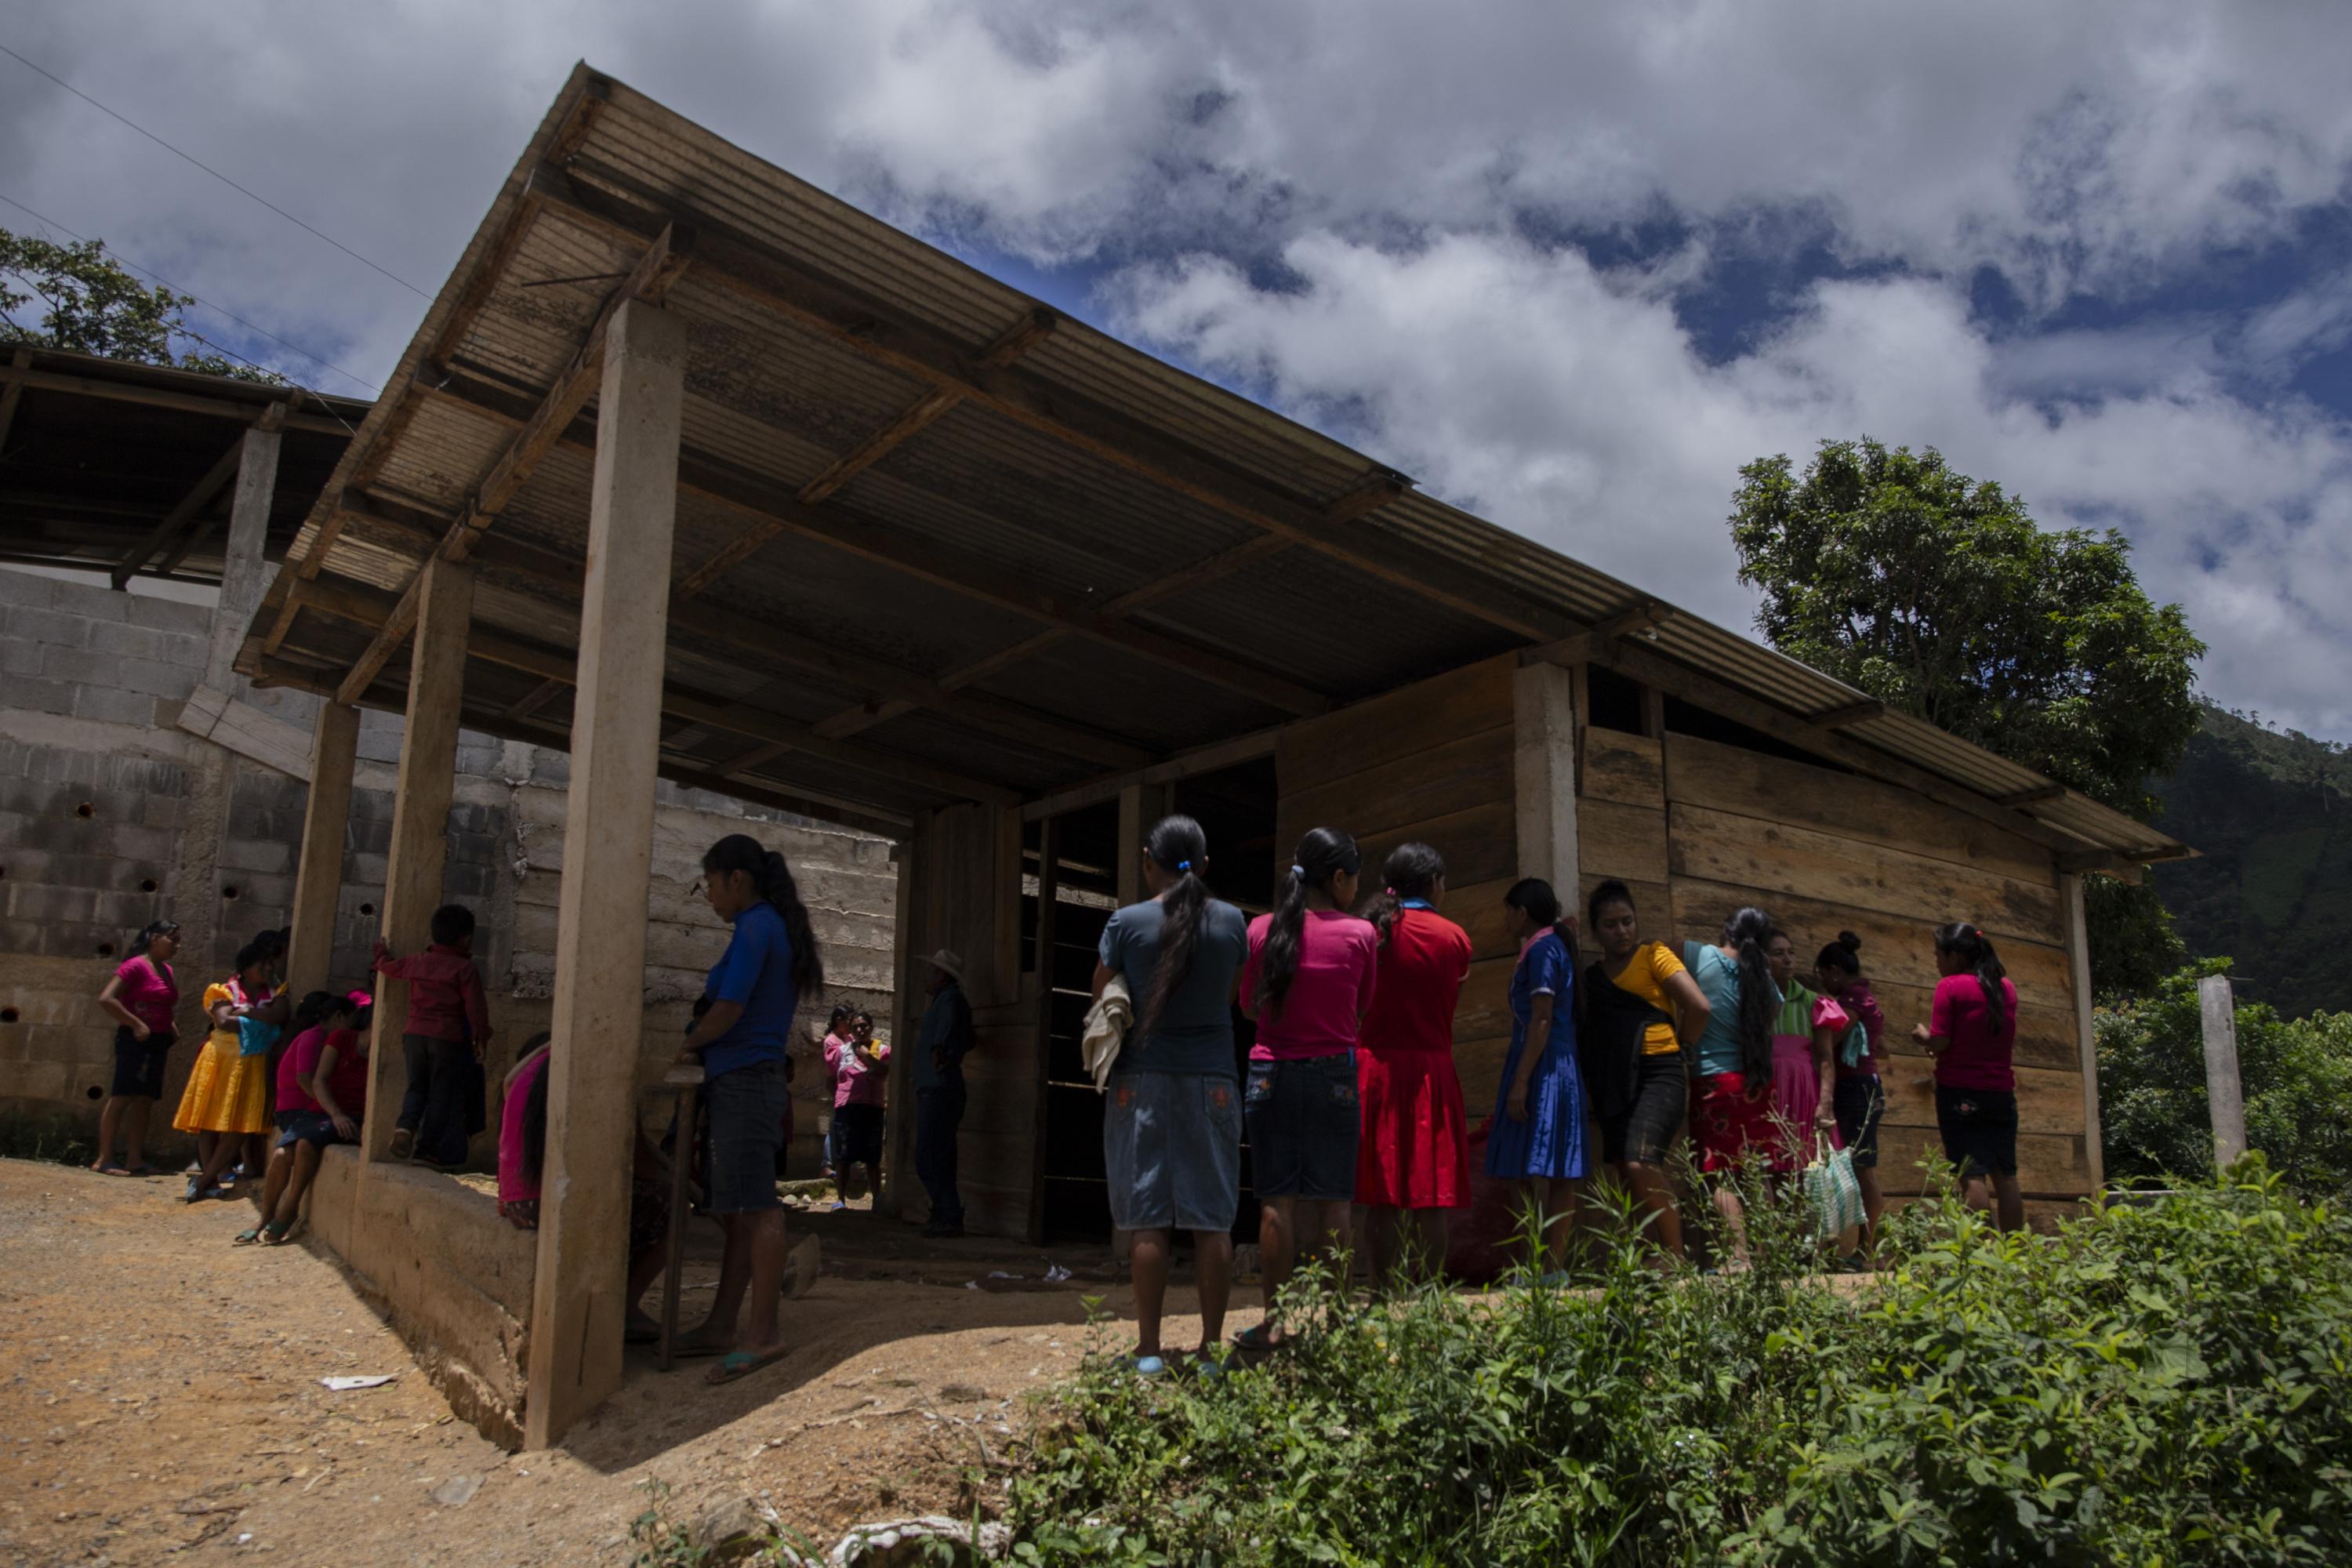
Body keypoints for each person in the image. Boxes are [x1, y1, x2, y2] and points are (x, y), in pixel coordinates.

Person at [1092, 814, 1250, 1372]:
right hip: (1213, 1082)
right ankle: (1210, 1351)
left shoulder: (1126, 923)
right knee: (1213, 1221)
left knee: (1147, 1218)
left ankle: (1150, 1351)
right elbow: (1230, 998)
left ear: (1146, 862)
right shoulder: (1233, 923)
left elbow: (1103, 996)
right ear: (1204, 866)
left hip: (1142, 1081)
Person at [674, 833, 822, 1383]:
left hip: (745, 1081)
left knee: (758, 1210)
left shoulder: (757, 927)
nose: (709, 896)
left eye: (710, 885)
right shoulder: (763, 926)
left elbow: (729, 1008)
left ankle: (764, 1335)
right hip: (745, 1081)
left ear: (737, 879)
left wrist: (689, 1043)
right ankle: (722, 1324)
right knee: (739, 1213)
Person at [1237, 827, 1376, 1352]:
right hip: (1334, 1074)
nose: (1357, 889)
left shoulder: (1262, 930)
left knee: (1277, 1202)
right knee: (1334, 1201)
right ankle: (1338, 1321)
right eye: (1355, 879)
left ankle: (1273, 1325)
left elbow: (1248, 1005)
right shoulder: (1361, 935)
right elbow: (1362, 1004)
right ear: (1338, 878)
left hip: (1271, 1073)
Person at [499, 1033, 674, 1345]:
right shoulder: (593, 1073)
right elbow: (637, 1160)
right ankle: (625, 1308)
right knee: (668, 1208)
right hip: (549, 1206)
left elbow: (508, 1082)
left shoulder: (526, 1073)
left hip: (516, 1204)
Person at [1352, 843, 1472, 1287]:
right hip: (1431, 1073)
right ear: (1434, 883)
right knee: (1433, 1196)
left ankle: (1380, 1293)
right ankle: (1428, 1295)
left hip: (1377, 1071)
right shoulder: (1454, 938)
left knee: (1381, 1198)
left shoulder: (1371, 933)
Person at [1580, 881, 1710, 1262]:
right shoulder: (1594, 978)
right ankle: (1648, 1256)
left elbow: (1698, 1007)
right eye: (1610, 925)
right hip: (1617, 1080)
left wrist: (1684, 1047)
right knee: (1625, 1169)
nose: (1621, 931)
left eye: (1627, 921)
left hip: (1660, 1072)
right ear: (1596, 931)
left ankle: (1675, 1258)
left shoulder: (1655, 956)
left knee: (1642, 1161)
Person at [1485, 878, 1587, 1280]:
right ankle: (1538, 1266)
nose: (1506, 918)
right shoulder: (1546, 947)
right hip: (1545, 1061)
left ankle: (1546, 1268)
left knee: (1547, 1169)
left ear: (1521, 913)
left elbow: (1542, 1019)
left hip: (1544, 1065)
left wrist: (1522, 1080)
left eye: (1508, 910)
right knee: (1525, 1166)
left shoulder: (1543, 949)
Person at [1682, 907, 1780, 1269]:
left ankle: (1739, 1258)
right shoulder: (1765, 981)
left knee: (1720, 1173)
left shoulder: (1701, 955)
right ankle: (1766, 1256)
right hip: (1757, 1083)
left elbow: (1657, 953)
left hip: (1715, 1082)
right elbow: (1769, 1019)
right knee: (1757, 1171)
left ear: (1727, 931)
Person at [1914, 920, 2024, 1232]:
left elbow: (1941, 1041)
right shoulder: (2006, 987)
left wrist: (1921, 1036)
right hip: (2001, 1094)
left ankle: (1983, 1258)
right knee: (2005, 1174)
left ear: (1955, 956)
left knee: (1971, 1173)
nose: (1936, 961)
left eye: (1938, 955)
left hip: (1960, 1093)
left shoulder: (1949, 987)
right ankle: (2014, 1254)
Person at [241, 990, 369, 1246]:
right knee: (280, 1155)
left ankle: (289, 1208)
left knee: (304, 1145)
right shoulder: (335, 1038)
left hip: (337, 1113)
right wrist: (333, 1111)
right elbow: (313, 1079)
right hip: (318, 1110)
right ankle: (266, 1216)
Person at [373, 903, 492, 1167]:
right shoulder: (464, 969)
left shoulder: (418, 961)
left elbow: (389, 967)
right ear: (467, 938)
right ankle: (427, 1149)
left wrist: (380, 952)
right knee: (440, 1093)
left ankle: (405, 1127)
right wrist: (480, 1039)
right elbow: (476, 1009)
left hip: (414, 1034)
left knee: (416, 1086)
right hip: (446, 1038)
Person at [172, 942, 286, 1202]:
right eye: (262, 964)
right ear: (246, 968)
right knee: (209, 1118)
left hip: (251, 1063)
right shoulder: (223, 990)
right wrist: (261, 1019)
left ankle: (204, 1179)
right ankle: (209, 1178)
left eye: (270, 963)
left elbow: (280, 1014)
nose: (268, 968)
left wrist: (247, 1013)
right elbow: (224, 1021)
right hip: (219, 1060)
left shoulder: (277, 991)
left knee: (239, 1123)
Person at [1816, 932, 1887, 1264]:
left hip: (1856, 1088)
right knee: (1858, 1167)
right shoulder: (1865, 996)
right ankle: (1857, 1248)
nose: (1823, 984)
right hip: (1863, 1085)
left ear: (1833, 971)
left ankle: (1866, 1249)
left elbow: (1833, 1037)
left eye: (1822, 976)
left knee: (1862, 1169)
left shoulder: (1853, 1000)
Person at [93, 919, 181, 1176]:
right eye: (172, 939)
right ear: (155, 938)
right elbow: (106, 998)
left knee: (145, 1099)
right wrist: (136, 1024)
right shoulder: (135, 966)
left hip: (158, 1041)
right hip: (135, 1040)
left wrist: (171, 1027)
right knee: (122, 1096)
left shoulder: (166, 970)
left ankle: (135, 1159)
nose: (177, 945)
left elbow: (162, 1003)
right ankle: (104, 1159)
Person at [1764, 929, 1846, 1175]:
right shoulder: (1753, 1002)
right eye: (1778, 954)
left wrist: (1825, 1102)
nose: (1788, 959)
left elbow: (1825, 1057)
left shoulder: (1812, 1002)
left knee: (1806, 1165)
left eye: (1791, 953)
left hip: (1802, 1091)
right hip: (1767, 1091)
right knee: (1769, 1165)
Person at [911, 949, 976, 1240]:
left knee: (928, 1155)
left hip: (939, 1087)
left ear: (942, 976)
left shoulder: (950, 1000)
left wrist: (942, 1051)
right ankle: (943, 1212)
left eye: (932, 972)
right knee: (939, 1154)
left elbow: (950, 1032)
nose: (927, 976)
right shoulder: (946, 1001)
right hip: (939, 1087)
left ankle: (948, 1213)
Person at [829, 1011, 888, 1207]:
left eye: (864, 1026)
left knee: (872, 1156)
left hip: (872, 1107)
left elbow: (883, 1070)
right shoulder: (841, 1050)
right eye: (856, 1027)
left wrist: (866, 1054)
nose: (860, 1030)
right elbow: (833, 1077)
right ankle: (840, 1199)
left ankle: (877, 1199)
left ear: (871, 1027)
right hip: (847, 1107)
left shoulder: (882, 1048)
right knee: (844, 1156)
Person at [818, 1004, 856, 1178]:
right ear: (838, 1021)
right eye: (848, 1020)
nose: (851, 1024)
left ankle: (850, 1165)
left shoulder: (849, 1038)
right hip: (839, 1086)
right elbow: (834, 1066)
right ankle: (826, 1164)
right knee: (836, 1126)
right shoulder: (831, 1041)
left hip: (852, 1088)